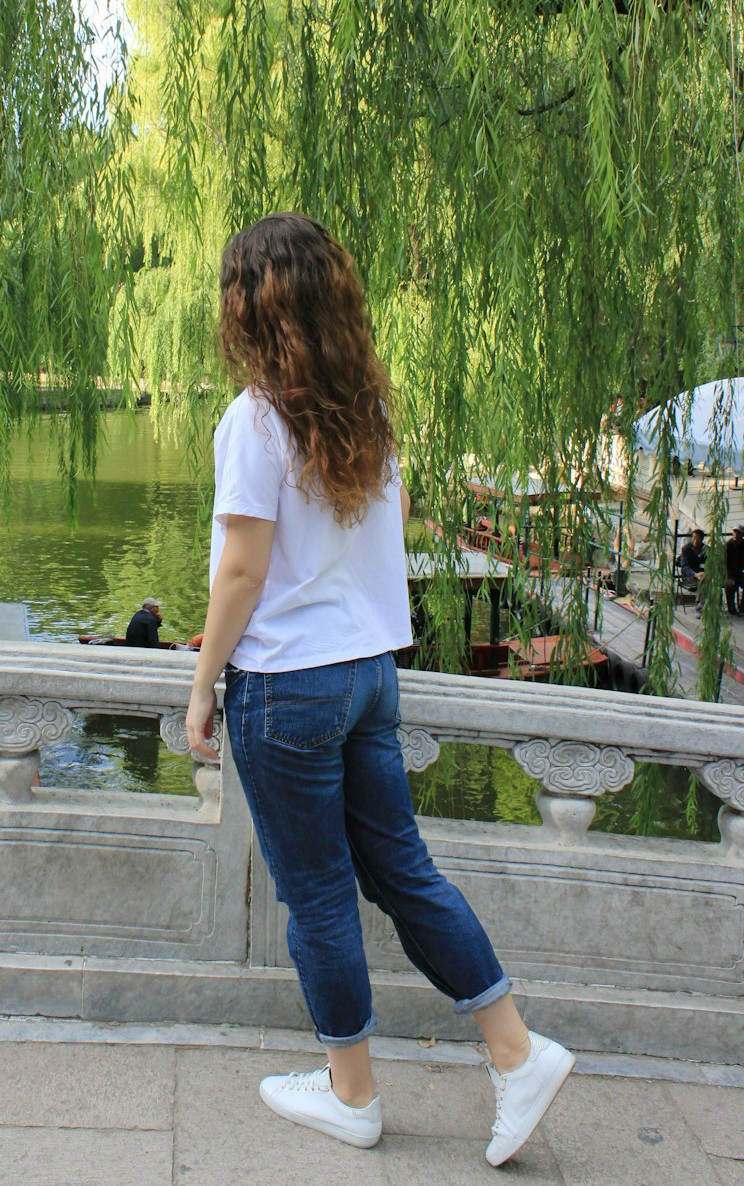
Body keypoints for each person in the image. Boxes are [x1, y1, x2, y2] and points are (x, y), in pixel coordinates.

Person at [186, 212, 574, 1168]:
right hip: (370, 675)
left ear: (249, 307)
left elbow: (241, 573)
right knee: (403, 871)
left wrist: (201, 687)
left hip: (287, 686)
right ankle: (516, 1052)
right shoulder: (369, 413)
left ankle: (353, 1094)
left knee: (318, 895)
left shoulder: (255, 418)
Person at [725, 527, 744, 615]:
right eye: (734, 532)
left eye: (738, 533)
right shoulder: (727, 545)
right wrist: (729, 577)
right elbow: (724, 563)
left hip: (739, 573)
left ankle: (742, 607)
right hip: (727, 573)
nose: (736, 534)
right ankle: (731, 608)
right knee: (729, 585)